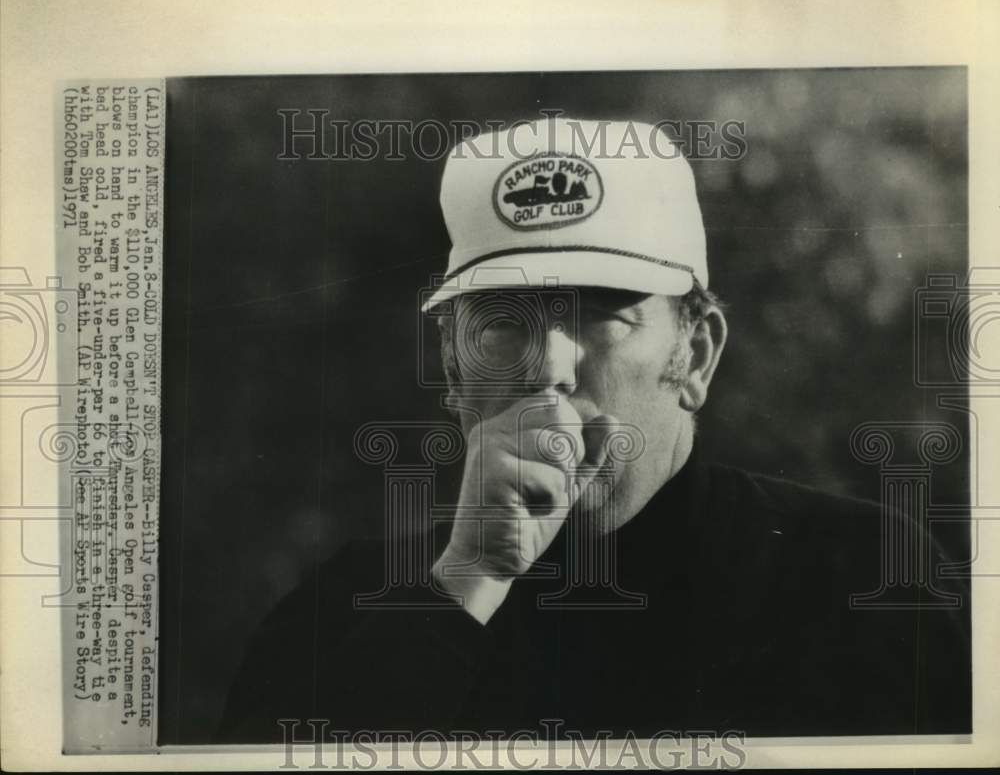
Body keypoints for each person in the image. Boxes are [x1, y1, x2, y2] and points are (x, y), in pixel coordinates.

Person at [216, 119, 969, 743]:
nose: (551, 365)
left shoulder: (863, 578)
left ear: (696, 352)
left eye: (601, 312)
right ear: (453, 363)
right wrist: (469, 579)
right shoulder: (343, 607)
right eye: (506, 322)